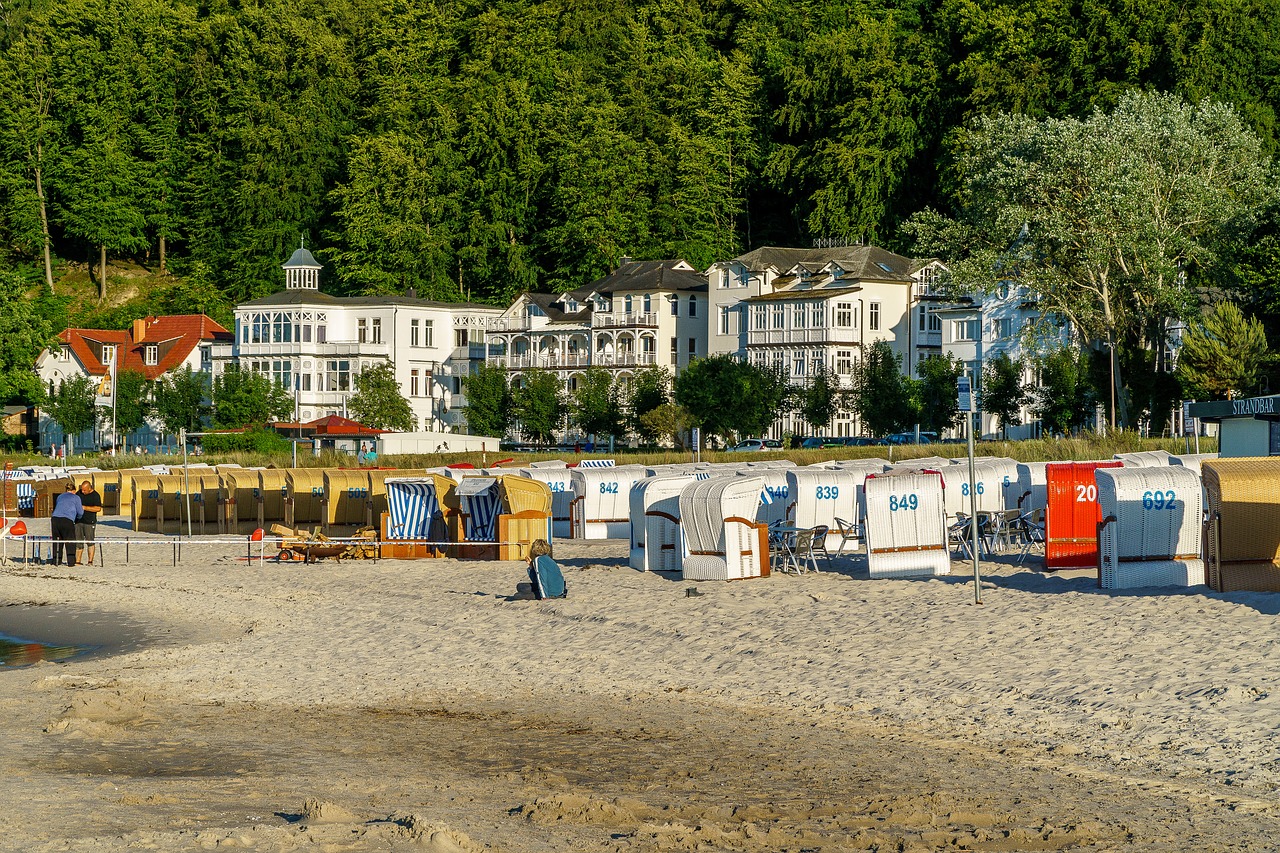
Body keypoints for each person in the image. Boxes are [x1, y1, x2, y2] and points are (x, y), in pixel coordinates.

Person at [50, 482, 82, 567]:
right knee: (70, 540)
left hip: (55, 519)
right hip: (67, 520)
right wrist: (77, 519)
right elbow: (80, 512)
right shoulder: (76, 497)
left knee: (57, 540)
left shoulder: (60, 496)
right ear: (74, 490)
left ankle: (56, 560)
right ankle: (71, 562)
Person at [76, 480, 102, 567]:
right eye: (82, 490)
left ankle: (90, 561)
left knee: (90, 541)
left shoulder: (95, 495)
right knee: (78, 542)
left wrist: (85, 508)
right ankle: (78, 561)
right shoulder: (78, 493)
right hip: (78, 521)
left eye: (84, 490)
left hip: (89, 522)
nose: (82, 492)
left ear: (89, 488)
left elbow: (98, 508)